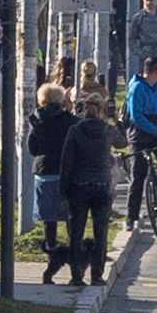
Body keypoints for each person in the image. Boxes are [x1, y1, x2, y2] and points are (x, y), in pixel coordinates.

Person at [56, 90, 117, 287]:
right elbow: (123, 141)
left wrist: (63, 187)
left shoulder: (75, 130)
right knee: (101, 232)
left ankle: (76, 275)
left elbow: (67, 162)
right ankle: (97, 275)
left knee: (76, 232)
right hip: (102, 186)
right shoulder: (106, 130)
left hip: (78, 187)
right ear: (102, 110)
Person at [122, 56, 157, 228]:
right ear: (154, 71)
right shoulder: (137, 88)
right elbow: (137, 117)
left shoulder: (155, 89)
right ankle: (131, 217)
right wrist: (156, 130)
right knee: (138, 174)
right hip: (139, 136)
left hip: (155, 134)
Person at [24, 83, 72, 284]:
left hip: (44, 171)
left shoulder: (37, 121)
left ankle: (51, 249)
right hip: (65, 171)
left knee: (48, 216)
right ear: (61, 100)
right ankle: (73, 251)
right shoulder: (70, 121)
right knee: (70, 214)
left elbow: (32, 148)